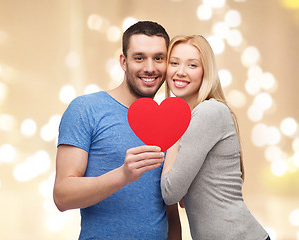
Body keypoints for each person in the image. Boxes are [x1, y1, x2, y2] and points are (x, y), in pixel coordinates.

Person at [53, 21, 181, 239]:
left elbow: (169, 208)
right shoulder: (86, 109)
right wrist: (122, 175)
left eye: (158, 58)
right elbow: (62, 196)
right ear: (124, 61)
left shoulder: (170, 122)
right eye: (139, 58)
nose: (150, 68)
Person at [160, 35, 269, 240]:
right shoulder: (195, 117)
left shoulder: (209, 112)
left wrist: (172, 133)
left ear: (205, 72)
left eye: (192, 65)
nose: (180, 71)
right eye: (174, 63)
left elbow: (170, 192)